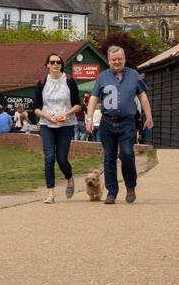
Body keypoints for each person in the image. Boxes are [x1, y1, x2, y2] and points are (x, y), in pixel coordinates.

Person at [84, 45, 153, 204]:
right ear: (108, 60)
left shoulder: (134, 75)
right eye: (113, 59)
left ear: (124, 59)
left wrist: (149, 117)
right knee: (109, 157)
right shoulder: (103, 77)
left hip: (127, 122)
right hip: (107, 122)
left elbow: (143, 97)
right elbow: (93, 99)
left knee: (127, 154)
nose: (117, 62)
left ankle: (130, 187)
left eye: (119, 59)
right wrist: (89, 119)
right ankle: (111, 192)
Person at [31, 53, 82, 203]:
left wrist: (67, 113)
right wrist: (45, 116)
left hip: (65, 125)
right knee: (49, 157)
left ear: (61, 65)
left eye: (58, 62)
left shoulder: (69, 81)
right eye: (52, 62)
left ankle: (69, 178)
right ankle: (51, 193)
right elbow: (36, 107)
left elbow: (78, 105)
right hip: (47, 124)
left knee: (61, 159)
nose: (55, 65)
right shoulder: (42, 82)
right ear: (47, 64)